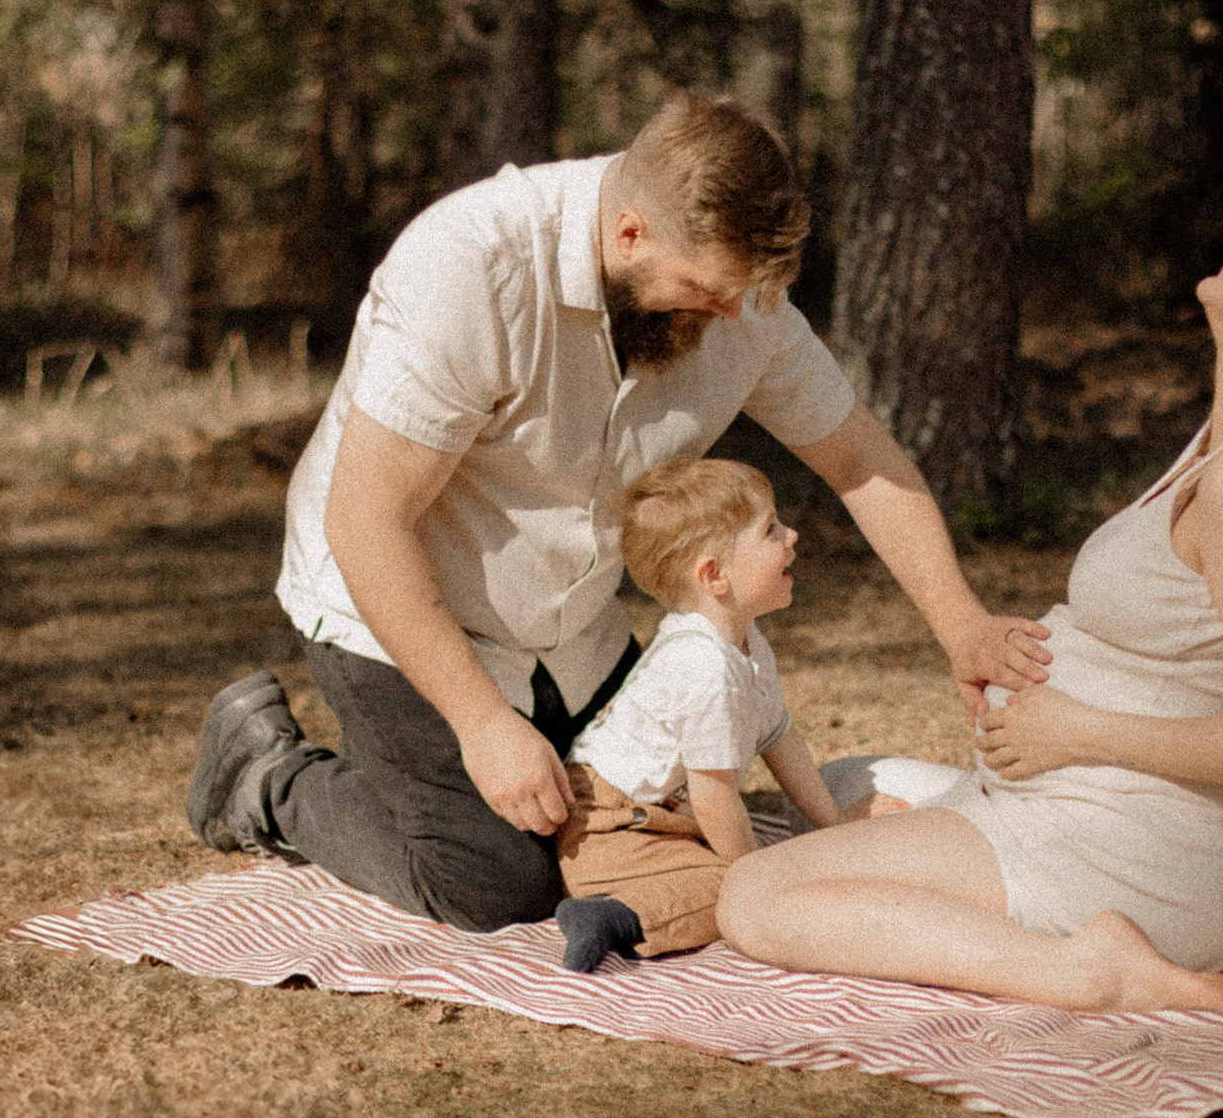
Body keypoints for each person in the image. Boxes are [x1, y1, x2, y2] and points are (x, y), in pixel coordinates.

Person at [185, 93, 1051, 933]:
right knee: (501, 879)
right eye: (705, 290)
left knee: (628, 834)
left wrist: (962, 623)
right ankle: (267, 775)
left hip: (570, 624)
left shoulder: (739, 294)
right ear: (630, 232)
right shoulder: (470, 262)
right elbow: (366, 523)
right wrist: (484, 724)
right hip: (389, 602)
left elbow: (859, 458)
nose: (727, 314)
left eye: (742, 292)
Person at [717, 221, 1223, 1017]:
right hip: (1076, 813)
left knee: (754, 895)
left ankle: (1085, 969)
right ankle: (952, 865)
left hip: (1139, 858)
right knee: (834, 787)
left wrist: (1075, 732)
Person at [549, 459, 861, 972]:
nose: (793, 535)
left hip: (656, 817)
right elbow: (713, 795)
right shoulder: (703, 664)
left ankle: (640, 900)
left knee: (742, 869)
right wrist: (752, 874)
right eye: (770, 530)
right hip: (606, 830)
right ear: (714, 575)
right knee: (736, 889)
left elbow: (779, 738)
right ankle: (613, 917)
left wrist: (831, 824)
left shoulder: (745, 640)